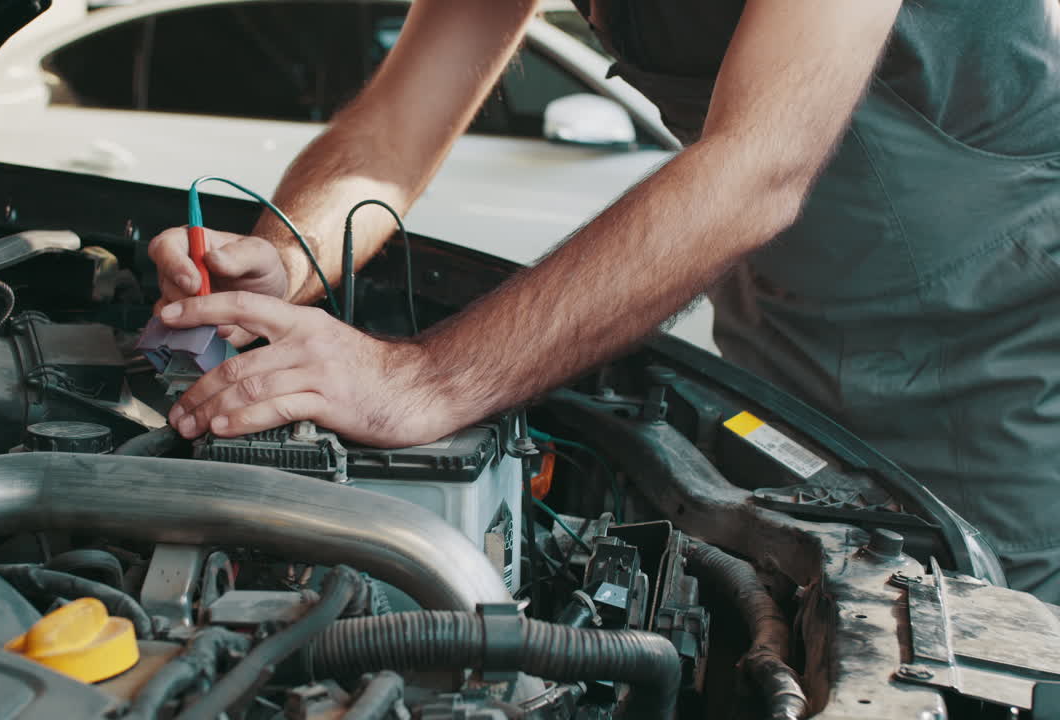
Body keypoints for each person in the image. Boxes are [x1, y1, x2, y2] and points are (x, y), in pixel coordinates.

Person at [146, 0, 1060, 599]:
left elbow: (760, 166)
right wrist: (280, 257)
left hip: (999, 350)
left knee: (977, 634)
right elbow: (392, 129)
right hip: (780, 337)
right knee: (780, 611)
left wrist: (428, 379)